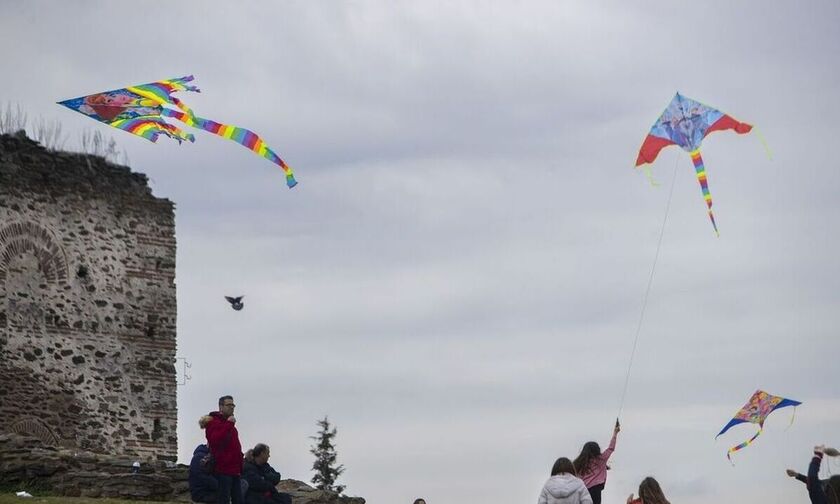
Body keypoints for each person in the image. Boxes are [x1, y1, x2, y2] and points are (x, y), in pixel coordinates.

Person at [205, 395, 244, 504]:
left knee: (239, 500)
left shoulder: (231, 427)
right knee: (223, 500)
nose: (232, 407)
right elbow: (215, 440)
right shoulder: (213, 422)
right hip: (222, 470)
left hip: (235, 470)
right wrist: (229, 424)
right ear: (221, 407)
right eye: (228, 405)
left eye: (233, 405)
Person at [572, 420, 620, 504]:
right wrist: (615, 433)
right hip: (596, 490)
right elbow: (611, 448)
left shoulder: (579, 463)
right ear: (597, 450)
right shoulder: (601, 459)